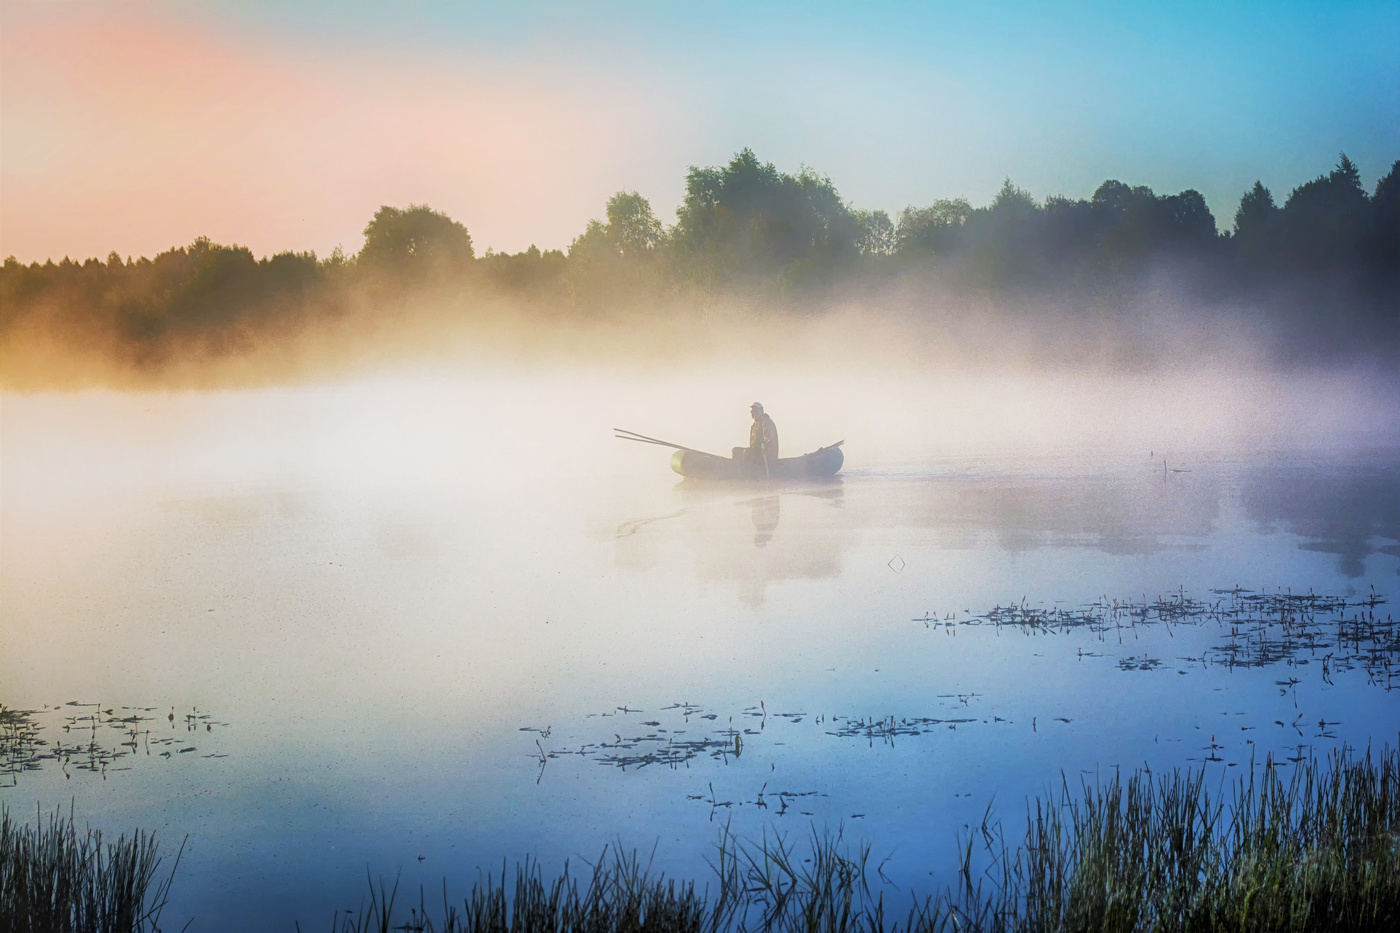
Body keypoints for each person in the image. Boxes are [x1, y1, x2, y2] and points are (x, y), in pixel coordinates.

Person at [746, 402, 779, 475]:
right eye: (752, 412)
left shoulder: (766, 422)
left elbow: (770, 441)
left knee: (747, 452)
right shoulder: (754, 425)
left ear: (761, 411)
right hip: (757, 455)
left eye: (755, 411)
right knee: (735, 451)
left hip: (766, 457)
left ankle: (749, 473)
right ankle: (742, 469)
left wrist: (765, 449)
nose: (753, 413)